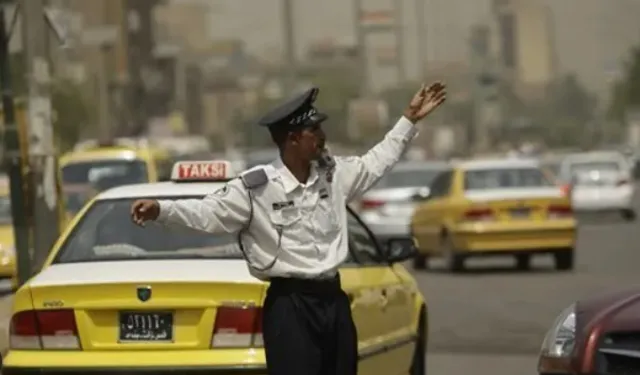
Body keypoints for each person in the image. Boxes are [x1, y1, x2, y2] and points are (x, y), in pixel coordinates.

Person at [130, 82, 446, 375]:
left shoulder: (332, 175)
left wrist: (408, 120)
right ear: (293, 139)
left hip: (333, 303)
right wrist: (162, 209)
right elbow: (207, 214)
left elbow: (377, 162)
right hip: (290, 309)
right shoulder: (257, 188)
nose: (322, 136)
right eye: (314, 130)